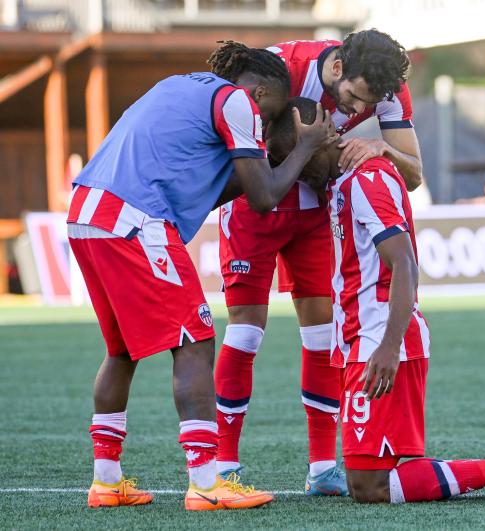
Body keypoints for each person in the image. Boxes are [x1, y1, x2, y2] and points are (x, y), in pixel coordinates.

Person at [265, 97, 485, 504]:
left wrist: (388, 345)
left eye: (287, 157)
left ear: (318, 138)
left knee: (370, 487)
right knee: (383, 475)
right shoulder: (345, 180)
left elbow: (404, 263)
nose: (289, 172)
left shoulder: (365, 178)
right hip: (362, 338)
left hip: (379, 338)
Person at [66, 42, 335, 511]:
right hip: (135, 218)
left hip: (87, 211)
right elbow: (265, 199)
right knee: (195, 341)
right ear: (263, 90)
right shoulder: (237, 101)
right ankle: (207, 483)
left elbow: (211, 186)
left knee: (122, 350)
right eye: (273, 111)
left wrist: (267, 155)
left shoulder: (179, 85)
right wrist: (306, 146)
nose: (269, 121)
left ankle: (106, 480)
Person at [215, 29, 423, 496]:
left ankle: (322, 467)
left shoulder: (387, 89)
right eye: (352, 97)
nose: (354, 112)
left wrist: (384, 148)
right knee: (245, 333)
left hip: (315, 208)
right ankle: (223, 466)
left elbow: (415, 174)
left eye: (363, 105)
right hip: (255, 202)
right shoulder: (280, 67)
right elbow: (221, 121)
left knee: (323, 336)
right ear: (335, 70)